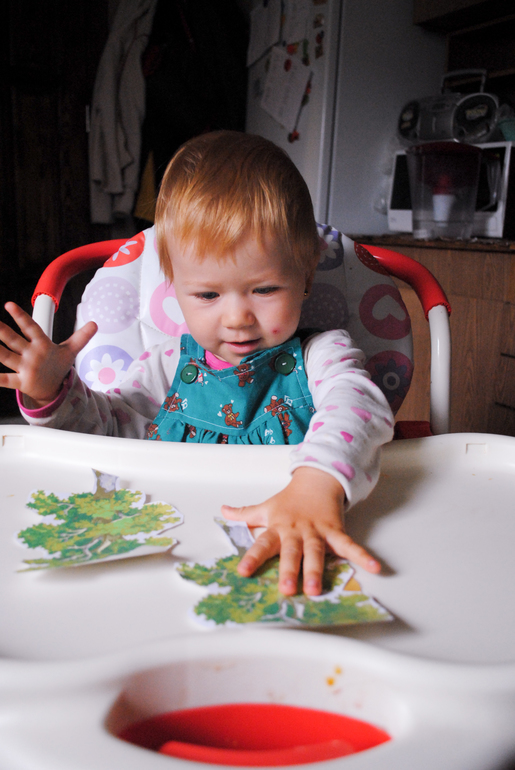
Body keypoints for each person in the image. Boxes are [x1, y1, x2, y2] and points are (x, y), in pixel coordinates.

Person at [0, 131, 394, 597]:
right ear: (175, 286)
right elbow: (106, 433)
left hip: (297, 531)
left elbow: (358, 407)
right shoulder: (167, 367)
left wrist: (318, 485)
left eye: (265, 289)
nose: (237, 317)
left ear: (306, 275)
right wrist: (53, 391)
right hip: (174, 546)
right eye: (208, 294)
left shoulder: (321, 356)